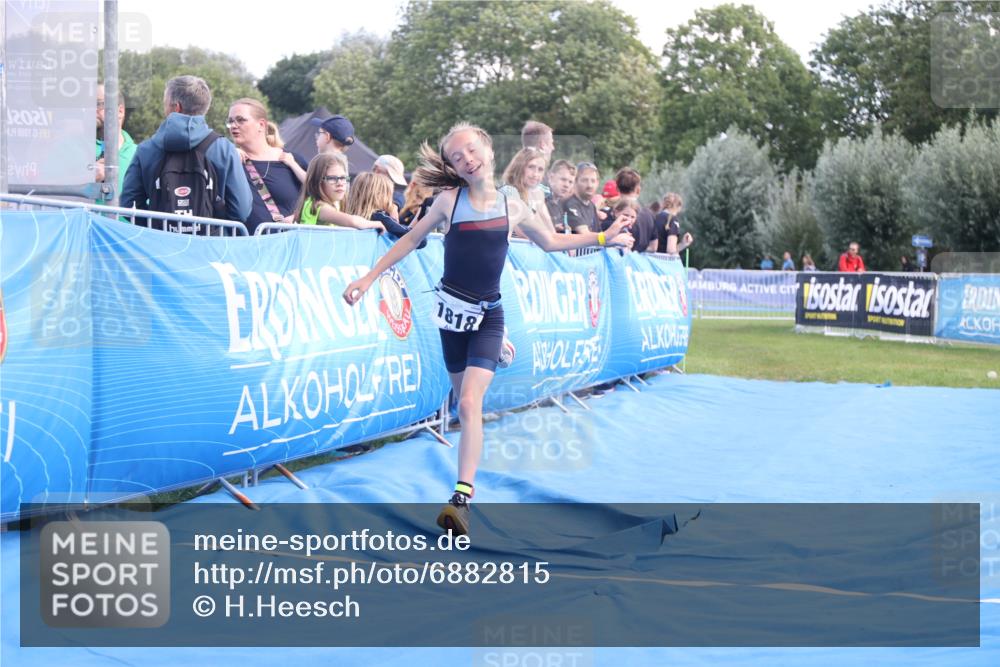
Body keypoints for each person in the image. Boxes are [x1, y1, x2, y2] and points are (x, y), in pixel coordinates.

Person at [341, 123, 633, 535]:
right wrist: (368, 279)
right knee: (462, 400)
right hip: (450, 315)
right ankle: (497, 350)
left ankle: (461, 498)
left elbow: (549, 243)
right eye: (457, 158)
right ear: (453, 168)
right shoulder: (448, 201)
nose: (466, 160)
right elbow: (408, 242)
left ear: (489, 151)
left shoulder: (514, 203)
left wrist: (604, 237)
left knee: (469, 405)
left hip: (488, 314)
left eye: (471, 151)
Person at [121, 75, 251, 226]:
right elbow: (241, 210)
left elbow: (129, 204)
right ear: (205, 107)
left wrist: (155, 228)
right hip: (211, 245)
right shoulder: (224, 149)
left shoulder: (146, 149)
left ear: (176, 108)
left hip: (160, 246)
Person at [228, 98, 309, 233]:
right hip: (245, 249)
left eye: (241, 120)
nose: (234, 125)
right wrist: (228, 152)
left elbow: (321, 197)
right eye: (230, 121)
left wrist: (298, 216)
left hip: (289, 246)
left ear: (261, 125)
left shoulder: (292, 160)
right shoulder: (229, 160)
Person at [292, 152, 383, 230]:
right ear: (317, 181)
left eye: (343, 178)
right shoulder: (320, 207)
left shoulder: (310, 202)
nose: (340, 183)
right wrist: (377, 224)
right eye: (332, 178)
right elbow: (352, 221)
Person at [95, 83, 137, 204]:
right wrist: (88, 179)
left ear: (120, 111)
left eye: (99, 104)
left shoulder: (140, 153)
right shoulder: (76, 149)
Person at [500, 147, 556, 237]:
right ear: (519, 167)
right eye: (531, 167)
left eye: (540, 170)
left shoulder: (535, 193)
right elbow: (522, 232)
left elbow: (547, 228)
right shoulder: (509, 191)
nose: (535, 174)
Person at [612, 168, 656, 253]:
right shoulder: (650, 215)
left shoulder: (609, 213)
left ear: (617, 189)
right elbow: (654, 247)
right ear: (638, 190)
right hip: (639, 264)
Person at [565, 162, 601, 234]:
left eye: (593, 181)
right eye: (585, 180)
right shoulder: (570, 204)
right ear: (575, 182)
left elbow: (598, 233)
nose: (590, 185)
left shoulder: (591, 206)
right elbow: (585, 235)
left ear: (597, 183)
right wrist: (610, 237)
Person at [544, 160, 575, 233]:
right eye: (563, 179)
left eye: (570, 182)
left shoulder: (563, 205)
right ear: (551, 177)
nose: (566, 185)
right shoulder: (540, 199)